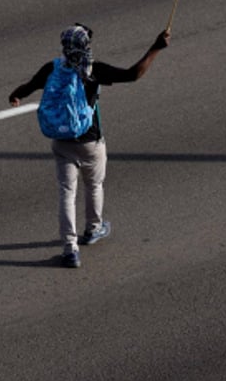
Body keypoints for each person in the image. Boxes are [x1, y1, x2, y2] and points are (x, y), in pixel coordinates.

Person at [9, 25, 170, 268]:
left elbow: (29, 86)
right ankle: (93, 228)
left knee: (67, 193)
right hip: (90, 142)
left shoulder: (52, 68)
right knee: (94, 185)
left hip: (62, 141)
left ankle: (70, 249)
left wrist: (16, 95)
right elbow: (133, 74)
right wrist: (156, 47)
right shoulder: (94, 70)